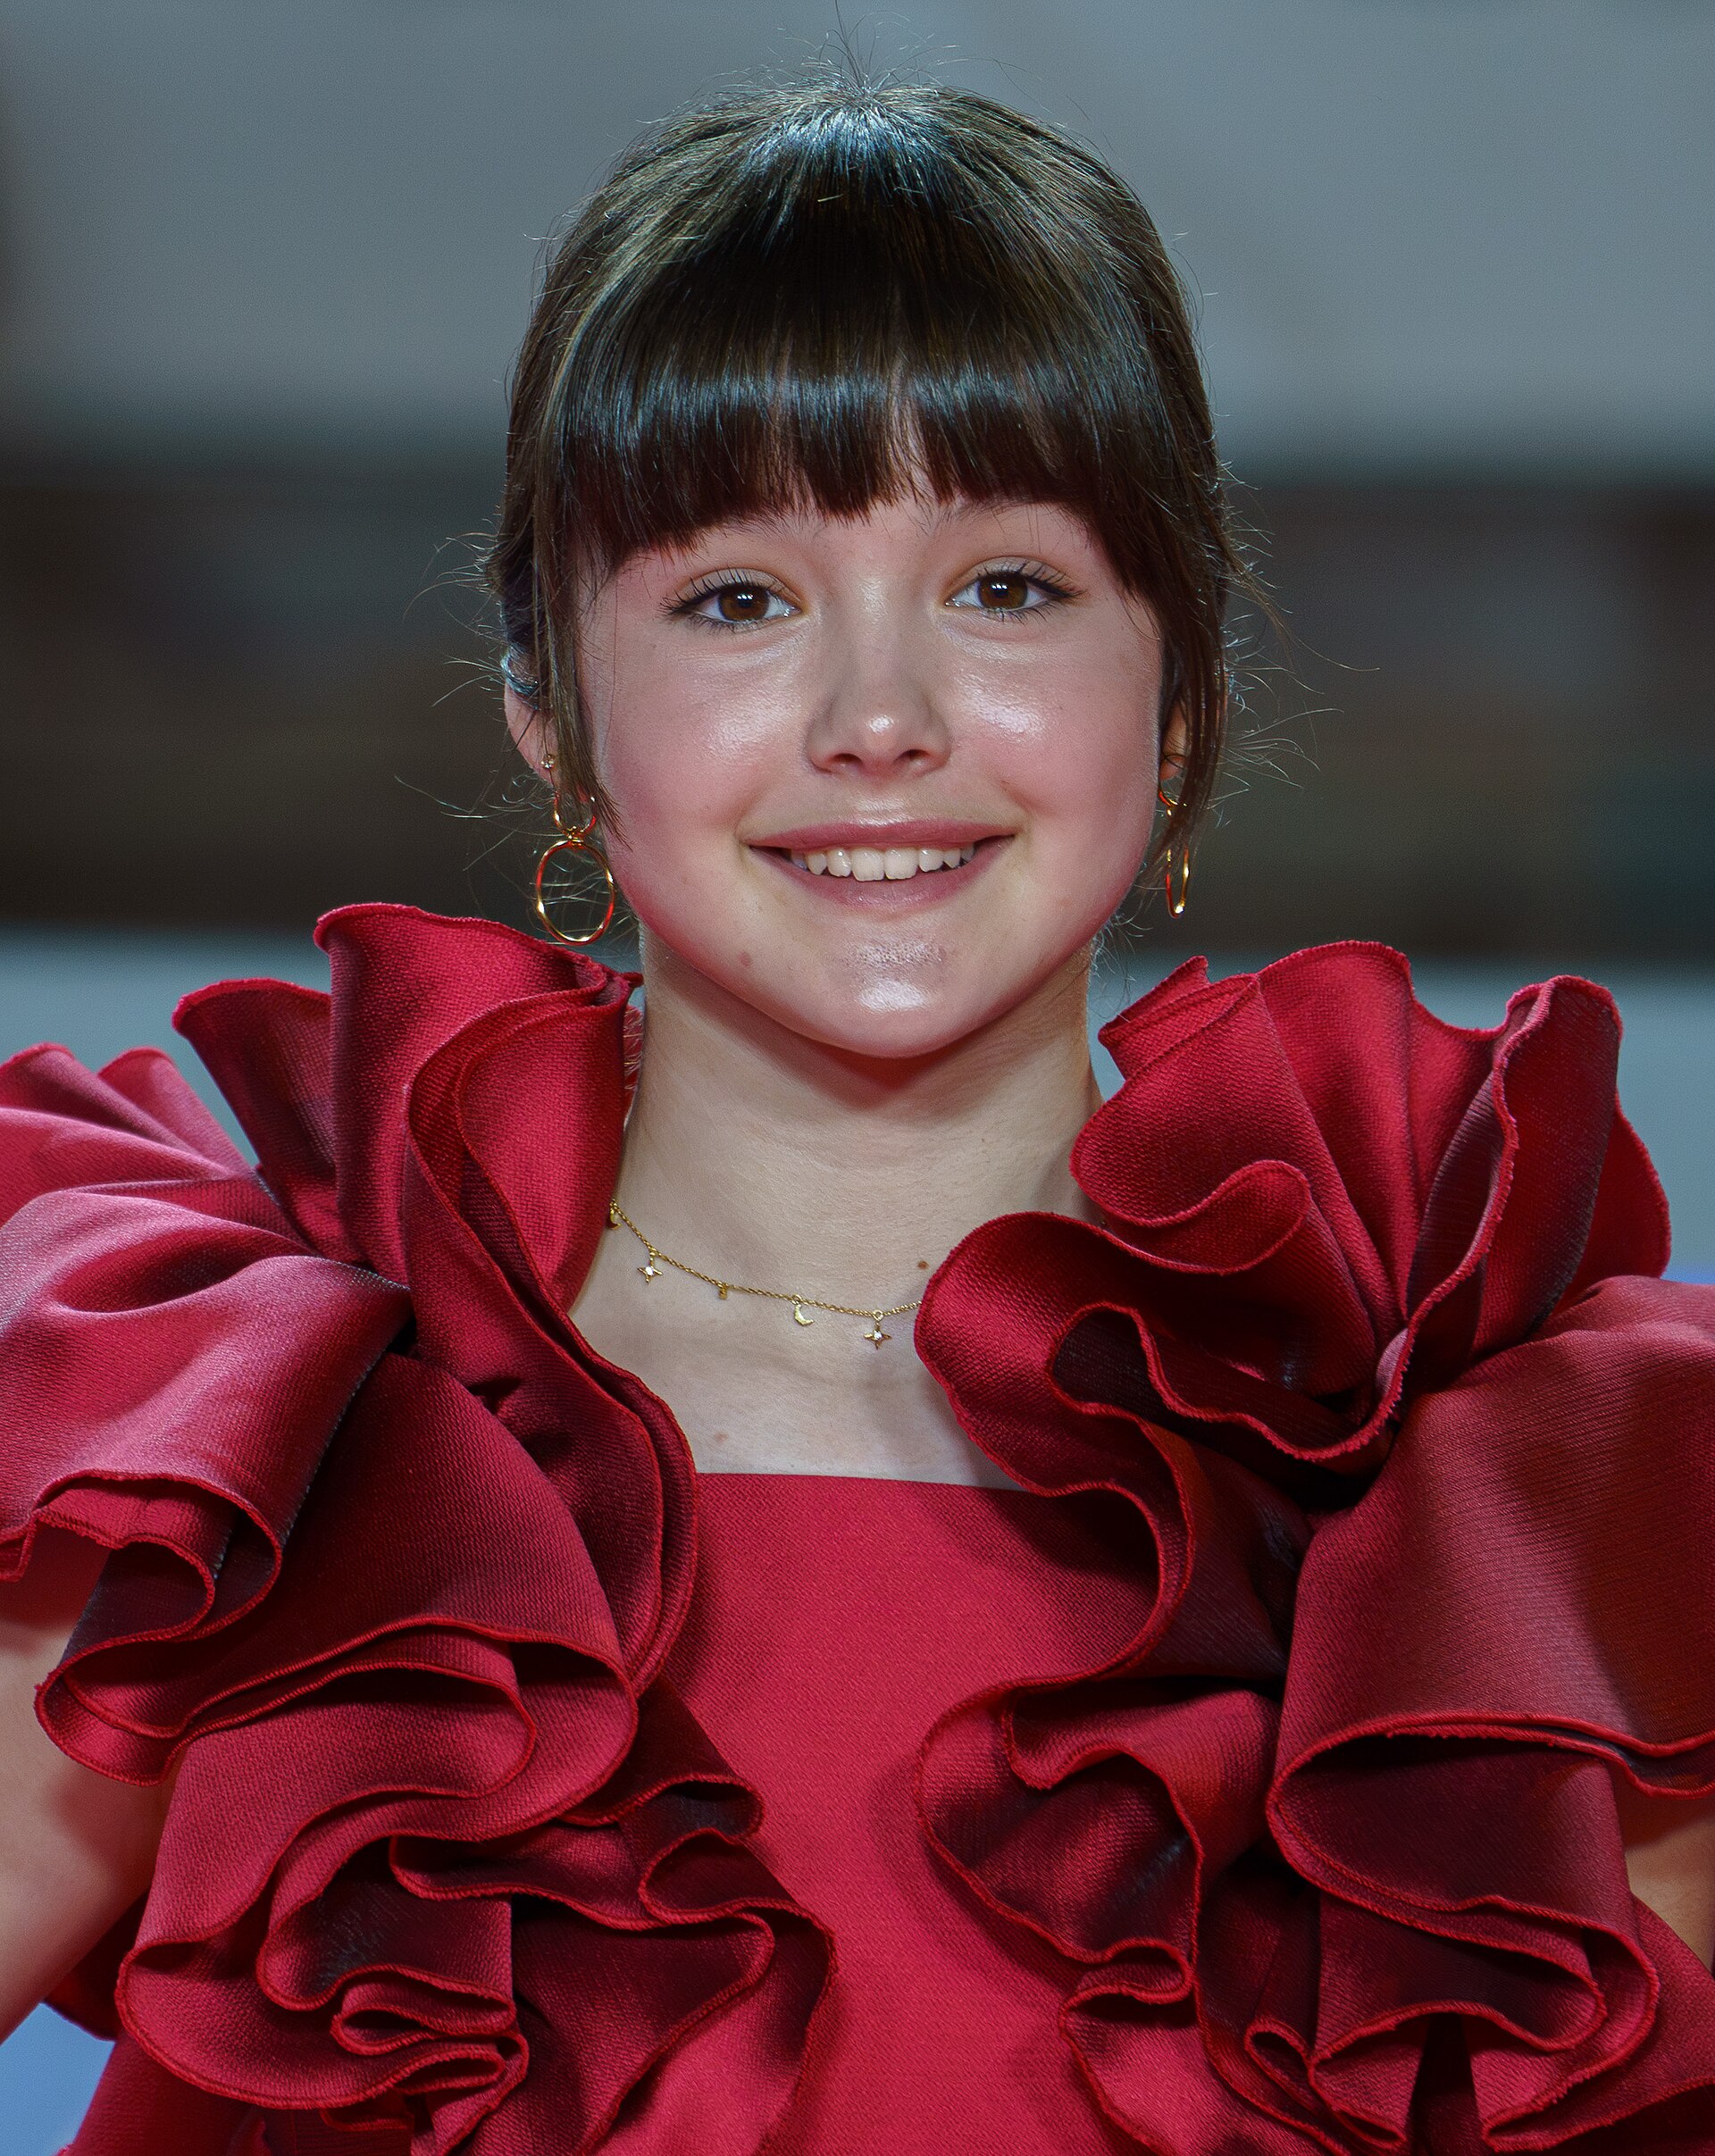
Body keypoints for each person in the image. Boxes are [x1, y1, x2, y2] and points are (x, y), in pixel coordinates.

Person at [4, 74, 1715, 2156]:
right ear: (551, 708)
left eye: (1007, 586)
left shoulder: (1499, 1528)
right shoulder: (260, 1460)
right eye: (738, 597)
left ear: (1176, 698)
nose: (880, 719)